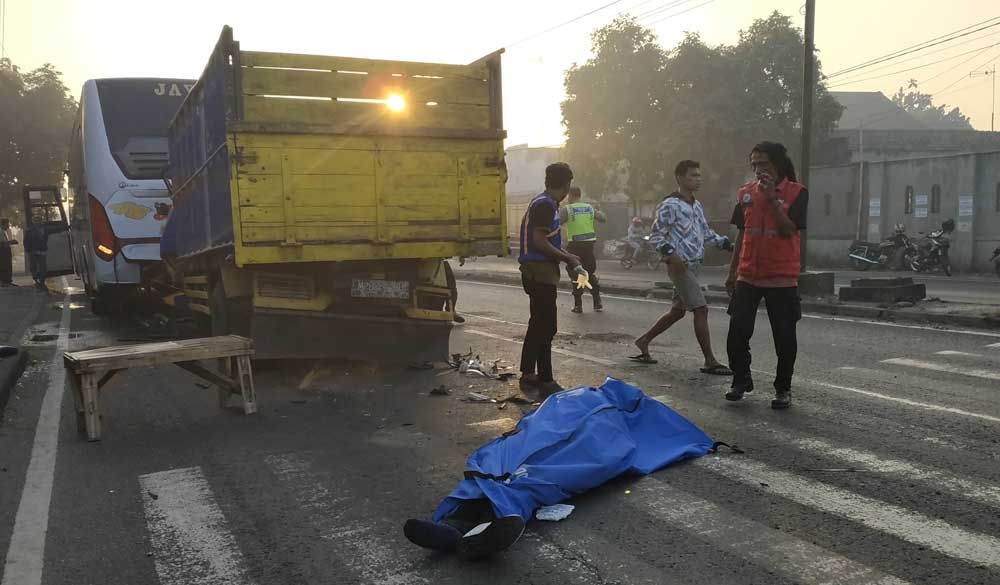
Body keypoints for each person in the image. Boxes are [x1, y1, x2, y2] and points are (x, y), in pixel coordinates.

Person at [725, 142, 809, 410]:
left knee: (784, 338)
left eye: (764, 164)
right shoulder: (745, 193)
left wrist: (772, 199)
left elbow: (789, 230)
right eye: (755, 164)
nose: (758, 169)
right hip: (748, 275)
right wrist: (732, 271)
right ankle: (740, 379)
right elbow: (742, 235)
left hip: (781, 277)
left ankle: (783, 389)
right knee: (737, 333)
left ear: (778, 164)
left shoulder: (797, 192)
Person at [632, 160, 732, 375]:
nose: (698, 179)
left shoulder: (696, 205)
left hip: (694, 265)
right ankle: (710, 360)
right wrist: (671, 254)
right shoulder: (669, 205)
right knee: (701, 308)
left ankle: (644, 340)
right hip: (680, 265)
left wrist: (726, 244)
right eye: (693, 175)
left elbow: (705, 233)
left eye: (699, 175)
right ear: (679, 178)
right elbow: (656, 235)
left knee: (677, 311)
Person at [518, 162, 582, 397]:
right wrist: (567, 257)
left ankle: (530, 374)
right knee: (546, 326)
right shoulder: (545, 205)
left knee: (538, 324)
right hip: (539, 271)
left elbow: (546, 240)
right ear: (566, 184)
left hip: (538, 270)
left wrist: (565, 255)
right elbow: (540, 241)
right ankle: (544, 379)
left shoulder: (545, 202)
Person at [559, 187, 606, 313]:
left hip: (574, 247)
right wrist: (599, 210)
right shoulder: (589, 208)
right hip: (589, 247)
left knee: (576, 273)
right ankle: (597, 302)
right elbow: (603, 218)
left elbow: (556, 222)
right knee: (588, 272)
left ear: (571, 195)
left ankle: (578, 305)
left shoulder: (567, 209)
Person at [23, 221, 50, 290]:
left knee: (41, 267)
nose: (39, 223)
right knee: (35, 266)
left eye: (39, 221)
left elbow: (25, 241)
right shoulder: (30, 230)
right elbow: (25, 241)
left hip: (40, 251)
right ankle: (37, 280)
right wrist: (27, 249)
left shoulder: (44, 229)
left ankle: (41, 281)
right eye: (37, 221)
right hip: (34, 251)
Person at [0, 218, 16, 287]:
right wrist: (11, 242)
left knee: (7, 266)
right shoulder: (1, 231)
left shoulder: (4, 231)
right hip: (3, 252)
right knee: (4, 267)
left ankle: (7, 281)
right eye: (7, 224)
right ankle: (5, 281)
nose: (8, 226)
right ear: (3, 224)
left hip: (5, 252)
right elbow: (1, 243)